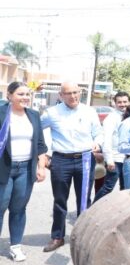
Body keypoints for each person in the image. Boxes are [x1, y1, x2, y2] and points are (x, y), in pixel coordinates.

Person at [41, 82, 103, 252]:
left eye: (75, 92)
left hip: (85, 159)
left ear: (80, 92)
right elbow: (37, 130)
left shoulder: (89, 111)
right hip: (61, 160)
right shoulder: (51, 113)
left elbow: (98, 132)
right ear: (61, 95)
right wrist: (44, 154)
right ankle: (57, 237)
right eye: (68, 93)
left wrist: (97, 143)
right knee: (60, 200)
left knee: (84, 200)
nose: (73, 96)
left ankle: (83, 237)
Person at [0, 82, 48, 261]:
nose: (25, 98)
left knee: (19, 209)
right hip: (3, 168)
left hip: (25, 169)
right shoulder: (2, 113)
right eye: (20, 94)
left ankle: (16, 247)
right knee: (0, 207)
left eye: (27, 94)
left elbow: (40, 144)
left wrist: (41, 167)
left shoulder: (34, 115)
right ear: (10, 95)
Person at [94, 91, 130, 201]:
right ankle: (93, 211)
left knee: (126, 189)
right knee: (108, 187)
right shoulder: (112, 118)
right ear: (114, 103)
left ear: (129, 102)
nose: (122, 104)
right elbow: (107, 140)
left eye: (125, 102)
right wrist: (109, 160)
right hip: (115, 158)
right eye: (119, 102)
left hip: (127, 159)